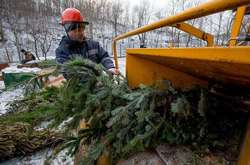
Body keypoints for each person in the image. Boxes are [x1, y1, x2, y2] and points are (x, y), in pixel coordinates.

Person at [56, 8, 119, 75]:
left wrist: (110, 67)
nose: (81, 33)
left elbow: (104, 56)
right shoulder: (62, 51)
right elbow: (66, 73)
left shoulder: (94, 45)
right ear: (67, 31)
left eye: (82, 29)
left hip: (99, 82)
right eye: (76, 30)